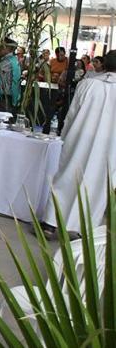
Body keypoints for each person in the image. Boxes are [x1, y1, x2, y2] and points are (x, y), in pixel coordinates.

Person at [50, 50, 116, 235]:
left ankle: (51, 221)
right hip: (110, 145)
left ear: (104, 64)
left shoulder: (88, 84)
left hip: (80, 137)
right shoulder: (90, 83)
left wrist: (65, 136)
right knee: (98, 184)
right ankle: (84, 229)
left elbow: (71, 114)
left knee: (68, 175)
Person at [0, 37, 22, 112]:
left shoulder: (7, 62)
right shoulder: (14, 59)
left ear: (9, 48)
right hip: (9, 95)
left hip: (4, 97)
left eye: (2, 46)